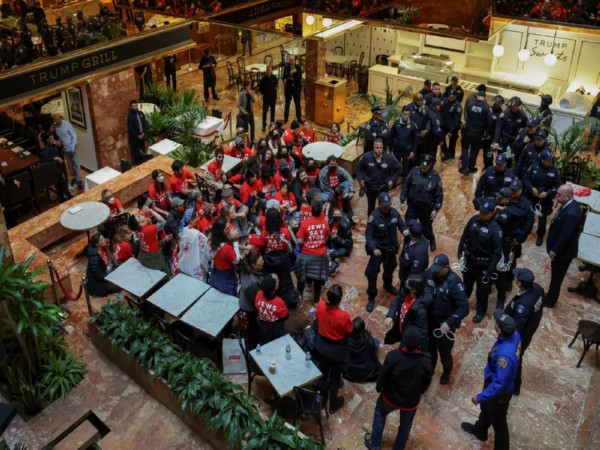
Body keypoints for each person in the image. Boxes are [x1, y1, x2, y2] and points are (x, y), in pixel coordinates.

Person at [364, 326, 433, 450]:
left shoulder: (394, 356)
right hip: (410, 402)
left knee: (380, 413)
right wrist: (418, 393)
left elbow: (383, 375)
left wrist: (379, 388)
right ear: (419, 344)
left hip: (390, 398)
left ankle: (374, 444)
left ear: (403, 342)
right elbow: (426, 384)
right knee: (405, 424)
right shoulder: (426, 363)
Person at [461, 310, 521, 450]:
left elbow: (499, 384)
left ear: (499, 330)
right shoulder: (515, 334)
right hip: (494, 383)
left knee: (499, 423)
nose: (495, 323)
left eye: (496, 323)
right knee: (487, 410)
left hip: (499, 394)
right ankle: (480, 430)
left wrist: (481, 397)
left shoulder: (504, 357)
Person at [424, 254, 469, 384]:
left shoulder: (455, 283)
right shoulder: (430, 274)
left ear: (447, 267)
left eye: (439, 269)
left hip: (444, 326)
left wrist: (449, 323)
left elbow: (463, 308)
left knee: (445, 353)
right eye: (435, 269)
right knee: (430, 349)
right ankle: (430, 368)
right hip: (429, 321)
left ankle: (447, 370)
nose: (436, 272)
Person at [458, 198, 503, 323]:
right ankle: (461, 303)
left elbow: (497, 253)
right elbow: (465, 234)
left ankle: (481, 311)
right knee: (466, 285)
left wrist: (489, 271)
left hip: (483, 266)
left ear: (491, 213)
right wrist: (460, 248)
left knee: (481, 292)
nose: (481, 214)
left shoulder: (496, 230)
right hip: (469, 261)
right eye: (481, 212)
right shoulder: (474, 220)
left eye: (484, 213)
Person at [365, 192, 409, 312]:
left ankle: (387, 284)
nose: (386, 208)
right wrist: (374, 249)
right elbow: (368, 235)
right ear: (379, 205)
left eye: (388, 205)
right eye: (384, 206)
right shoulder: (374, 217)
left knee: (390, 268)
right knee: (372, 274)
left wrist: (404, 229)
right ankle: (371, 296)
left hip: (391, 249)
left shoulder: (394, 212)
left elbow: (400, 223)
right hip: (378, 250)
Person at [313, 284, 353, 414]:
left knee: (322, 372)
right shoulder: (344, 316)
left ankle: (319, 398)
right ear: (340, 300)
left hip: (321, 346)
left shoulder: (320, 305)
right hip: (336, 351)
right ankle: (333, 404)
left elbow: (317, 317)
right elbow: (349, 331)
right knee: (335, 378)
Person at [504, 268, 544, 395]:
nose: (515, 277)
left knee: (516, 358)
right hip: (530, 328)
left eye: (517, 277)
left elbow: (517, 327)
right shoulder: (538, 288)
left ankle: (515, 386)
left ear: (519, 283)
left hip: (521, 336)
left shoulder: (523, 305)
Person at [545, 184, 583, 307]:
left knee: (557, 277)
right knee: (555, 276)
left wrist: (554, 251)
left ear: (567, 197)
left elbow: (564, 236)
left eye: (559, 195)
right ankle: (551, 294)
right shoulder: (570, 205)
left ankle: (551, 300)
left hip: (563, 253)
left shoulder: (571, 213)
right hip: (562, 250)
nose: (556, 196)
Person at [400, 153, 443, 251]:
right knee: (409, 227)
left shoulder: (435, 177)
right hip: (412, 205)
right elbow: (406, 185)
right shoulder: (414, 171)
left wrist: (436, 209)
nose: (424, 168)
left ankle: (431, 240)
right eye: (422, 165)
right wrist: (402, 200)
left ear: (430, 165)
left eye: (426, 166)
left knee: (426, 229)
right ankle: (407, 243)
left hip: (426, 208)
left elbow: (439, 194)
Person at [524, 149, 562, 247]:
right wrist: (531, 188)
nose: (550, 162)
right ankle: (525, 231)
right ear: (542, 160)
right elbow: (526, 179)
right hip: (532, 196)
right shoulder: (534, 166)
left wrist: (548, 192)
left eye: (551, 160)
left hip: (545, 199)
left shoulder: (555, 171)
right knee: (528, 215)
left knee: (542, 219)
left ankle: (540, 235)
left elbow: (558, 186)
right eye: (548, 160)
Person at [356, 138, 402, 217]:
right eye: (377, 148)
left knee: (385, 207)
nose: (379, 150)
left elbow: (399, 168)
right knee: (371, 208)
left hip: (383, 188)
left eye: (381, 148)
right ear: (374, 147)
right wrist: (360, 180)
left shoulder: (389, 157)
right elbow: (358, 168)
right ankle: (371, 224)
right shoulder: (366, 156)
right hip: (370, 188)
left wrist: (392, 180)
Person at [295, 200, 330, 304]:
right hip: (320, 257)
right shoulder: (325, 223)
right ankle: (315, 301)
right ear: (320, 212)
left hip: (306, 255)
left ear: (311, 211)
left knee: (301, 278)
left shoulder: (305, 224)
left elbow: (300, 241)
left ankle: (299, 299)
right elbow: (326, 238)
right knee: (318, 280)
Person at [383, 273, 431, 348]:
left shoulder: (420, 310)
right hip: (400, 324)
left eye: (408, 285)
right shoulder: (405, 291)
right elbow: (396, 300)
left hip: (408, 333)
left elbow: (422, 331)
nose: (405, 285)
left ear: (414, 290)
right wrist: (390, 315)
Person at [343, 317, 381, 383]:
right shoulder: (368, 339)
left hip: (351, 370)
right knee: (376, 341)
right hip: (366, 370)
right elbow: (372, 352)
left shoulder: (347, 338)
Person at [461, 90, 491, 174]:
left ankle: (464, 167)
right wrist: (486, 132)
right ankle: (470, 167)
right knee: (475, 149)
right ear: (485, 98)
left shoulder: (470, 104)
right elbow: (489, 123)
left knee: (465, 147)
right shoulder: (487, 108)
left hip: (468, 131)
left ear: (477, 96)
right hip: (479, 133)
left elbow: (467, 115)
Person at [208, 216, 240, 295]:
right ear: (221, 232)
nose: (230, 229)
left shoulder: (212, 240)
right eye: (227, 229)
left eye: (229, 227)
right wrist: (235, 241)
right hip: (226, 278)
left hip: (215, 274)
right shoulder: (226, 249)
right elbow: (237, 260)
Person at [255, 273, 288, 344]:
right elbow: (284, 316)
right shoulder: (279, 301)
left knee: (264, 342)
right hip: (275, 328)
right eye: (277, 281)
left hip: (262, 325)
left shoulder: (259, 293)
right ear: (274, 287)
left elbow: (257, 306)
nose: (279, 281)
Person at [494, 96, 528, 165]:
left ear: (518, 106)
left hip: (515, 143)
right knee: (501, 160)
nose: (513, 108)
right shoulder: (504, 114)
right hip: (504, 142)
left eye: (515, 106)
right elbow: (498, 128)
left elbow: (525, 128)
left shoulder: (522, 115)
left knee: (509, 161)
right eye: (511, 106)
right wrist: (496, 141)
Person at [84, 233, 120, 297]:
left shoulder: (103, 248)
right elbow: (98, 275)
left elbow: (109, 258)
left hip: (104, 272)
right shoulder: (94, 258)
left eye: (103, 238)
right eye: (102, 240)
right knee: (119, 286)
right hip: (97, 283)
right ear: (97, 244)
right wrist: (110, 279)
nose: (104, 240)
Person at [41, 132, 72, 202]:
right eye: (51, 139)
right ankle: (69, 196)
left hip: (57, 168)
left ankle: (61, 199)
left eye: (53, 138)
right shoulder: (47, 148)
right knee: (63, 183)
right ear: (47, 140)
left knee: (60, 185)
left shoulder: (51, 145)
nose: (53, 140)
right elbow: (45, 158)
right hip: (55, 170)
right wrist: (56, 158)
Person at [398, 220, 429, 290]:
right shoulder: (416, 238)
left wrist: (408, 282)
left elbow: (415, 272)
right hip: (404, 269)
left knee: (404, 293)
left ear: (411, 234)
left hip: (408, 277)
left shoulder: (418, 253)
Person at [53, 113, 82, 187]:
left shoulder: (67, 124)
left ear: (60, 117)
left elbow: (74, 136)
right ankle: (74, 178)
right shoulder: (55, 127)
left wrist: (72, 147)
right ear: (54, 120)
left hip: (72, 147)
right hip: (65, 149)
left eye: (59, 119)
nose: (58, 121)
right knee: (70, 164)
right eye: (56, 120)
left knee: (76, 163)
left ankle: (79, 179)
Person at [389, 106, 418, 176]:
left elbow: (415, 139)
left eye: (408, 114)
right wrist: (390, 149)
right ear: (401, 114)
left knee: (406, 169)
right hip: (397, 150)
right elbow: (391, 136)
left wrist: (413, 151)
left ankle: (405, 185)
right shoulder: (396, 124)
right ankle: (393, 183)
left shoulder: (413, 125)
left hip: (407, 151)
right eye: (405, 114)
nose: (406, 116)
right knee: (395, 167)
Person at [326, 208, 353, 275]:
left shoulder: (345, 225)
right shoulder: (330, 222)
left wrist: (337, 238)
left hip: (342, 245)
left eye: (338, 214)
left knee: (342, 252)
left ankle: (329, 257)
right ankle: (330, 259)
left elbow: (347, 243)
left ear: (341, 215)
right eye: (335, 214)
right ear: (332, 215)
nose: (337, 216)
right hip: (332, 243)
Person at [440, 89, 462, 161]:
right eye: (449, 96)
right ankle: (447, 154)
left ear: (455, 97)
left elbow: (456, 120)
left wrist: (451, 131)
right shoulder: (445, 101)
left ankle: (451, 156)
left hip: (453, 127)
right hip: (444, 125)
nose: (450, 97)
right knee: (441, 138)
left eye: (452, 96)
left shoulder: (458, 106)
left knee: (452, 143)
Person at [282, 55, 302, 123]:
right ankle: (285, 118)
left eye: (293, 60)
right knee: (287, 104)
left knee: (297, 104)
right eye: (290, 60)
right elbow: (284, 75)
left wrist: (291, 78)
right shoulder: (286, 67)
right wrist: (291, 72)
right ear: (289, 61)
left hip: (296, 88)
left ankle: (299, 118)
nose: (292, 61)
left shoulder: (298, 67)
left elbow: (299, 77)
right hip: (288, 89)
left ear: (295, 60)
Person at [126, 99, 147, 166]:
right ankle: (138, 164)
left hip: (142, 135)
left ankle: (143, 163)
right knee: (136, 153)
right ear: (131, 107)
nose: (135, 107)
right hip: (135, 138)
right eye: (133, 106)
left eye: (136, 105)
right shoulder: (130, 116)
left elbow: (144, 124)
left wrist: (144, 132)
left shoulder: (141, 113)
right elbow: (130, 129)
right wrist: (137, 136)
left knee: (142, 150)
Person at [258, 65, 277, 133]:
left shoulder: (274, 77)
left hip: (273, 97)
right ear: (266, 71)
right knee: (265, 112)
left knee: (273, 111)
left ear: (271, 70)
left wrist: (275, 95)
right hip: (266, 98)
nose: (268, 71)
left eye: (270, 70)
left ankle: (272, 125)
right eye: (267, 70)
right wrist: (264, 94)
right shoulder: (263, 79)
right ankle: (264, 125)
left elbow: (275, 86)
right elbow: (260, 88)